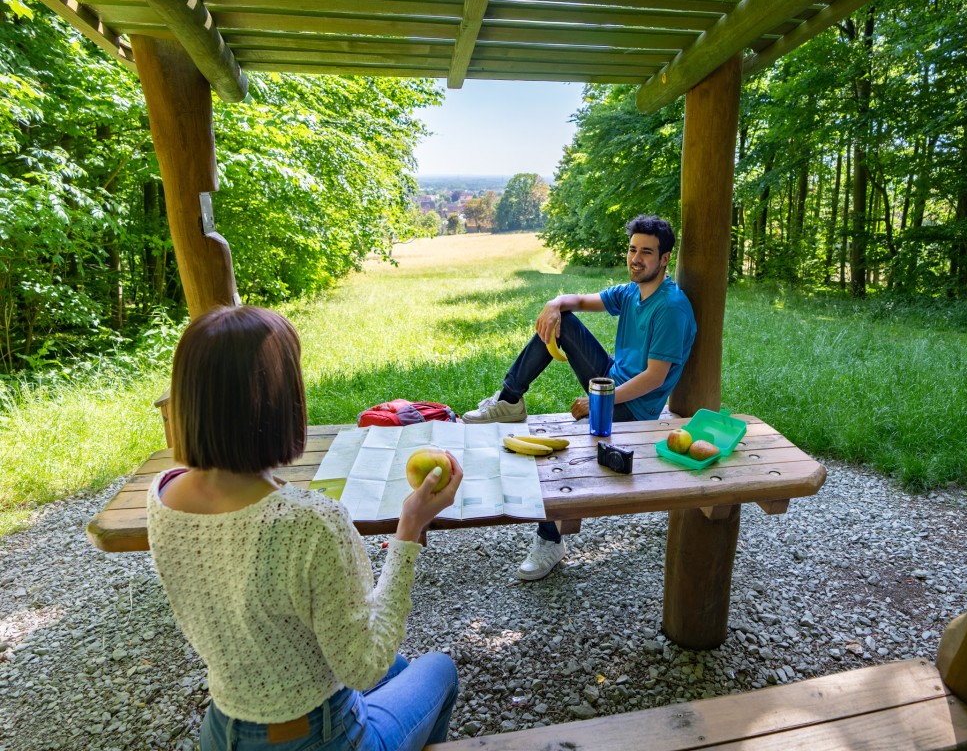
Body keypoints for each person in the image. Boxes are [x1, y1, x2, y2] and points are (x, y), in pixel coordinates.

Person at [146, 306, 462, 751]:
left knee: (402, 666)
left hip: (223, 729)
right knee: (437, 669)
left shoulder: (162, 493)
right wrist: (409, 529)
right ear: (278, 401)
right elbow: (364, 666)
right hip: (321, 737)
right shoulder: (310, 524)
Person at [463, 215, 696, 581]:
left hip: (636, 408)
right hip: (611, 381)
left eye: (647, 252)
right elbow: (580, 300)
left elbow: (655, 378)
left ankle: (550, 540)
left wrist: (599, 400)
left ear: (665, 258)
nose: (636, 258)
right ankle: (510, 399)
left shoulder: (670, 308)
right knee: (564, 319)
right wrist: (555, 303)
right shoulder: (633, 293)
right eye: (633, 249)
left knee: (570, 448)